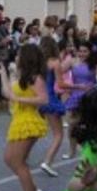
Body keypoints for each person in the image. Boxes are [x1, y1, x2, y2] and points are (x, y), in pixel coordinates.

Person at [0, 45, 49, 191]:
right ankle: (32, 189)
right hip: (19, 120)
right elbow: (8, 94)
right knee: (9, 158)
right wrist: (3, 75)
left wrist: (19, 99)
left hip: (29, 121)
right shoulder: (22, 76)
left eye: (19, 55)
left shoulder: (35, 78)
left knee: (17, 161)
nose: (16, 57)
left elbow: (43, 100)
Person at [60, 44, 97, 159]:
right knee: (72, 124)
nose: (82, 54)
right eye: (80, 51)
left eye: (85, 51)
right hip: (76, 95)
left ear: (90, 52)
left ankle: (92, 148)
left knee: (89, 124)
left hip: (90, 95)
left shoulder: (95, 63)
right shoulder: (72, 61)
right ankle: (72, 151)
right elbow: (59, 71)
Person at [38, 37, 67, 178]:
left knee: (48, 131)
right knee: (58, 134)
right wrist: (76, 86)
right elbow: (60, 84)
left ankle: (45, 161)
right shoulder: (55, 62)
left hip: (41, 98)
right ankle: (47, 161)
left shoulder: (39, 63)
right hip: (51, 98)